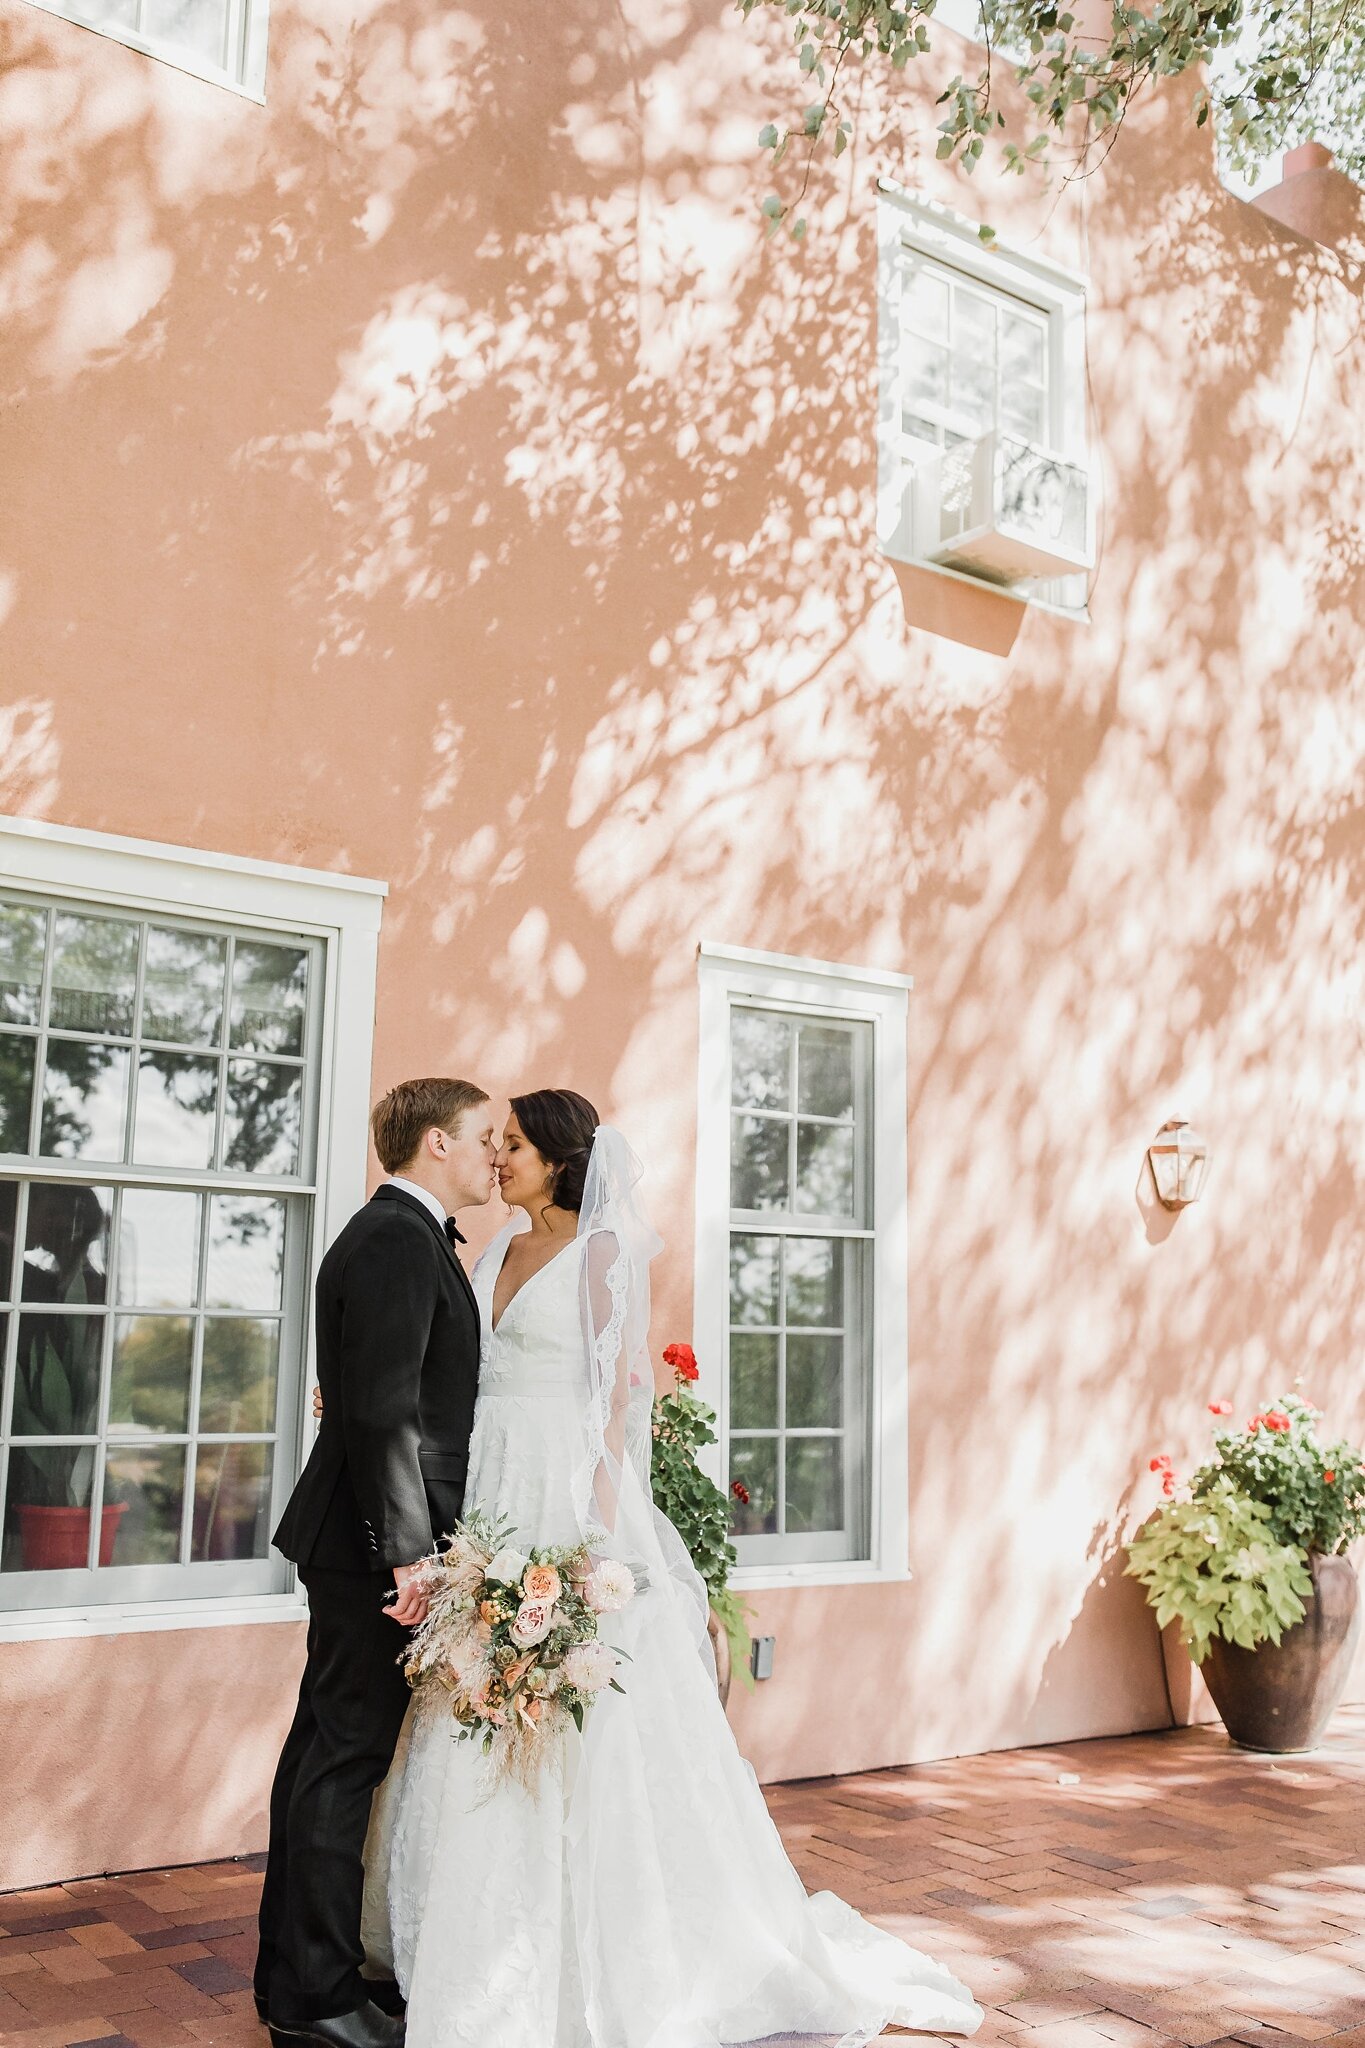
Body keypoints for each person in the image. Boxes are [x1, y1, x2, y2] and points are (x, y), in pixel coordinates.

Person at [361, 1089, 983, 2048]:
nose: (499, 1160)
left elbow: (613, 1409)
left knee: (578, 1713)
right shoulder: (486, 1250)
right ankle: (461, 1938)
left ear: (562, 1161)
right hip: (489, 1484)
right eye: (497, 1145)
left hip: (560, 1495)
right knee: (471, 1698)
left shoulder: (600, 1256)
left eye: (516, 1147)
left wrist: (592, 1541)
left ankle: (590, 1952)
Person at [255, 1077, 498, 2048]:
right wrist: (407, 1553)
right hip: (371, 1549)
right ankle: (314, 1999)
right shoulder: (399, 1238)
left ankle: (302, 1973)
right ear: (435, 1142)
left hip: (360, 1540)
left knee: (325, 1751)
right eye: (483, 1136)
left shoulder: (394, 1233)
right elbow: (383, 1410)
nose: (494, 1151)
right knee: (342, 1756)